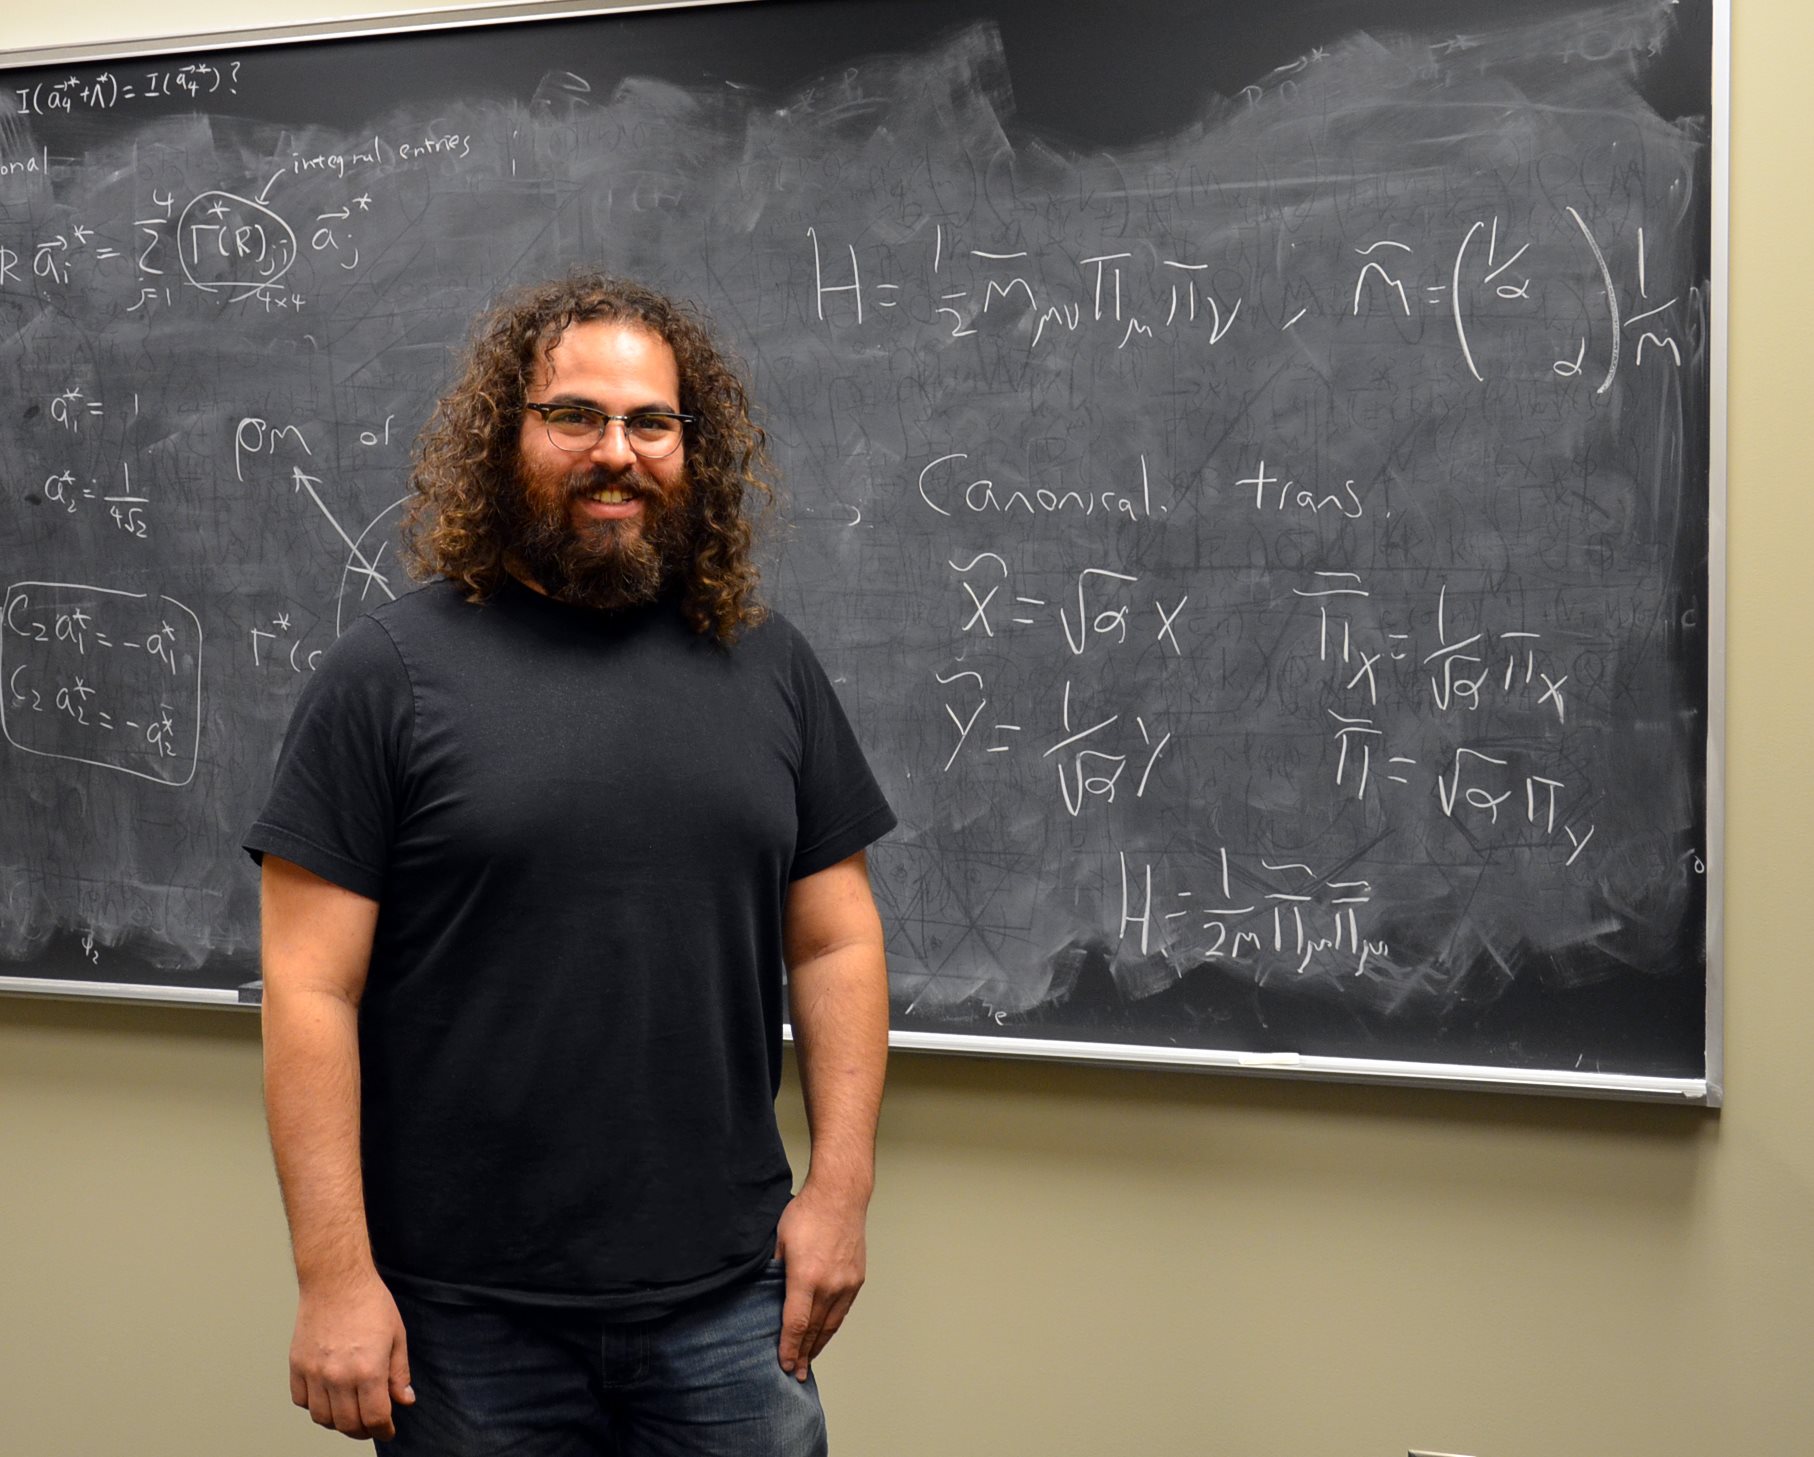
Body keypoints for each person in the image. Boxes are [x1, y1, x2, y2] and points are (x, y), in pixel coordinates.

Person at [246, 273, 896, 1455]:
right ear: (507, 439)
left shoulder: (768, 665)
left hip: (729, 1306)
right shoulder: (383, 677)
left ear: (690, 448)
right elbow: (307, 986)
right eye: (576, 418)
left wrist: (840, 1193)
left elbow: (836, 935)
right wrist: (334, 1275)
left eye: (652, 422)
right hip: (461, 1324)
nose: (618, 452)